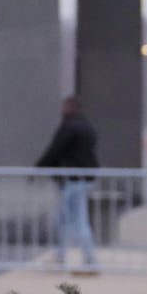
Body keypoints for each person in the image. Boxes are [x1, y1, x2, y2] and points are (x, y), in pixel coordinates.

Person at [36, 96, 99, 274]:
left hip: (73, 179)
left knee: (76, 220)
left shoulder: (69, 126)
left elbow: (55, 149)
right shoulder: (87, 126)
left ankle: (88, 259)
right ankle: (63, 256)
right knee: (67, 219)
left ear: (70, 108)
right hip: (85, 177)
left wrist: (40, 167)